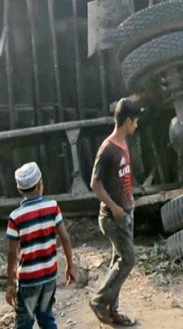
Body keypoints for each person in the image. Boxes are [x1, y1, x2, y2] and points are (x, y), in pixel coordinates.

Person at [89, 98, 143, 326]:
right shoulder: (108, 148)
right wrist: (114, 207)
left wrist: (129, 201)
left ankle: (113, 312)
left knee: (118, 263)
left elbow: (121, 179)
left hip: (124, 214)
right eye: (136, 122)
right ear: (128, 121)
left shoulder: (122, 145)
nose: (137, 126)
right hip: (113, 218)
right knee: (128, 260)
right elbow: (95, 183)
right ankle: (99, 301)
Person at [6, 162, 76, 329]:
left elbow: (11, 253)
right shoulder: (52, 207)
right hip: (49, 275)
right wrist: (70, 266)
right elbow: (65, 238)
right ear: (40, 184)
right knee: (46, 317)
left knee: (25, 321)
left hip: (28, 279)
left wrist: (10, 283)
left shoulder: (16, 217)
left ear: (19, 189)